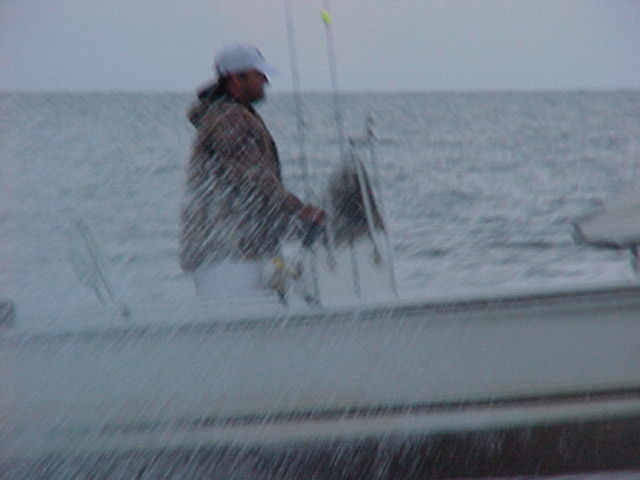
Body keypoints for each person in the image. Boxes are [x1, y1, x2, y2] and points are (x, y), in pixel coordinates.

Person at [179, 44, 326, 303]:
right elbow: (255, 178)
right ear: (236, 79)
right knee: (240, 319)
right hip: (227, 255)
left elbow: (250, 189)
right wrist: (300, 210)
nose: (266, 81)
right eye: (259, 75)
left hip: (240, 248)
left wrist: (291, 223)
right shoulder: (229, 120)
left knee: (261, 316)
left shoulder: (232, 114)